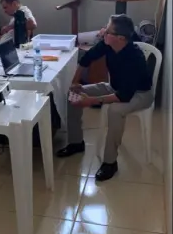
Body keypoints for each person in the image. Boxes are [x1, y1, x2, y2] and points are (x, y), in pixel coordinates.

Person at [56, 15, 153, 181]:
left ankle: (110, 162)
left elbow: (123, 96)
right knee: (73, 95)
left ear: (120, 38)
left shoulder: (134, 59)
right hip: (114, 87)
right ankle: (76, 142)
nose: (102, 32)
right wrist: (75, 82)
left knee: (115, 111)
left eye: (107, 31)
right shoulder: (107, 44)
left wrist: (90, 101)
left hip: (140, 94)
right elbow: (86, 59)